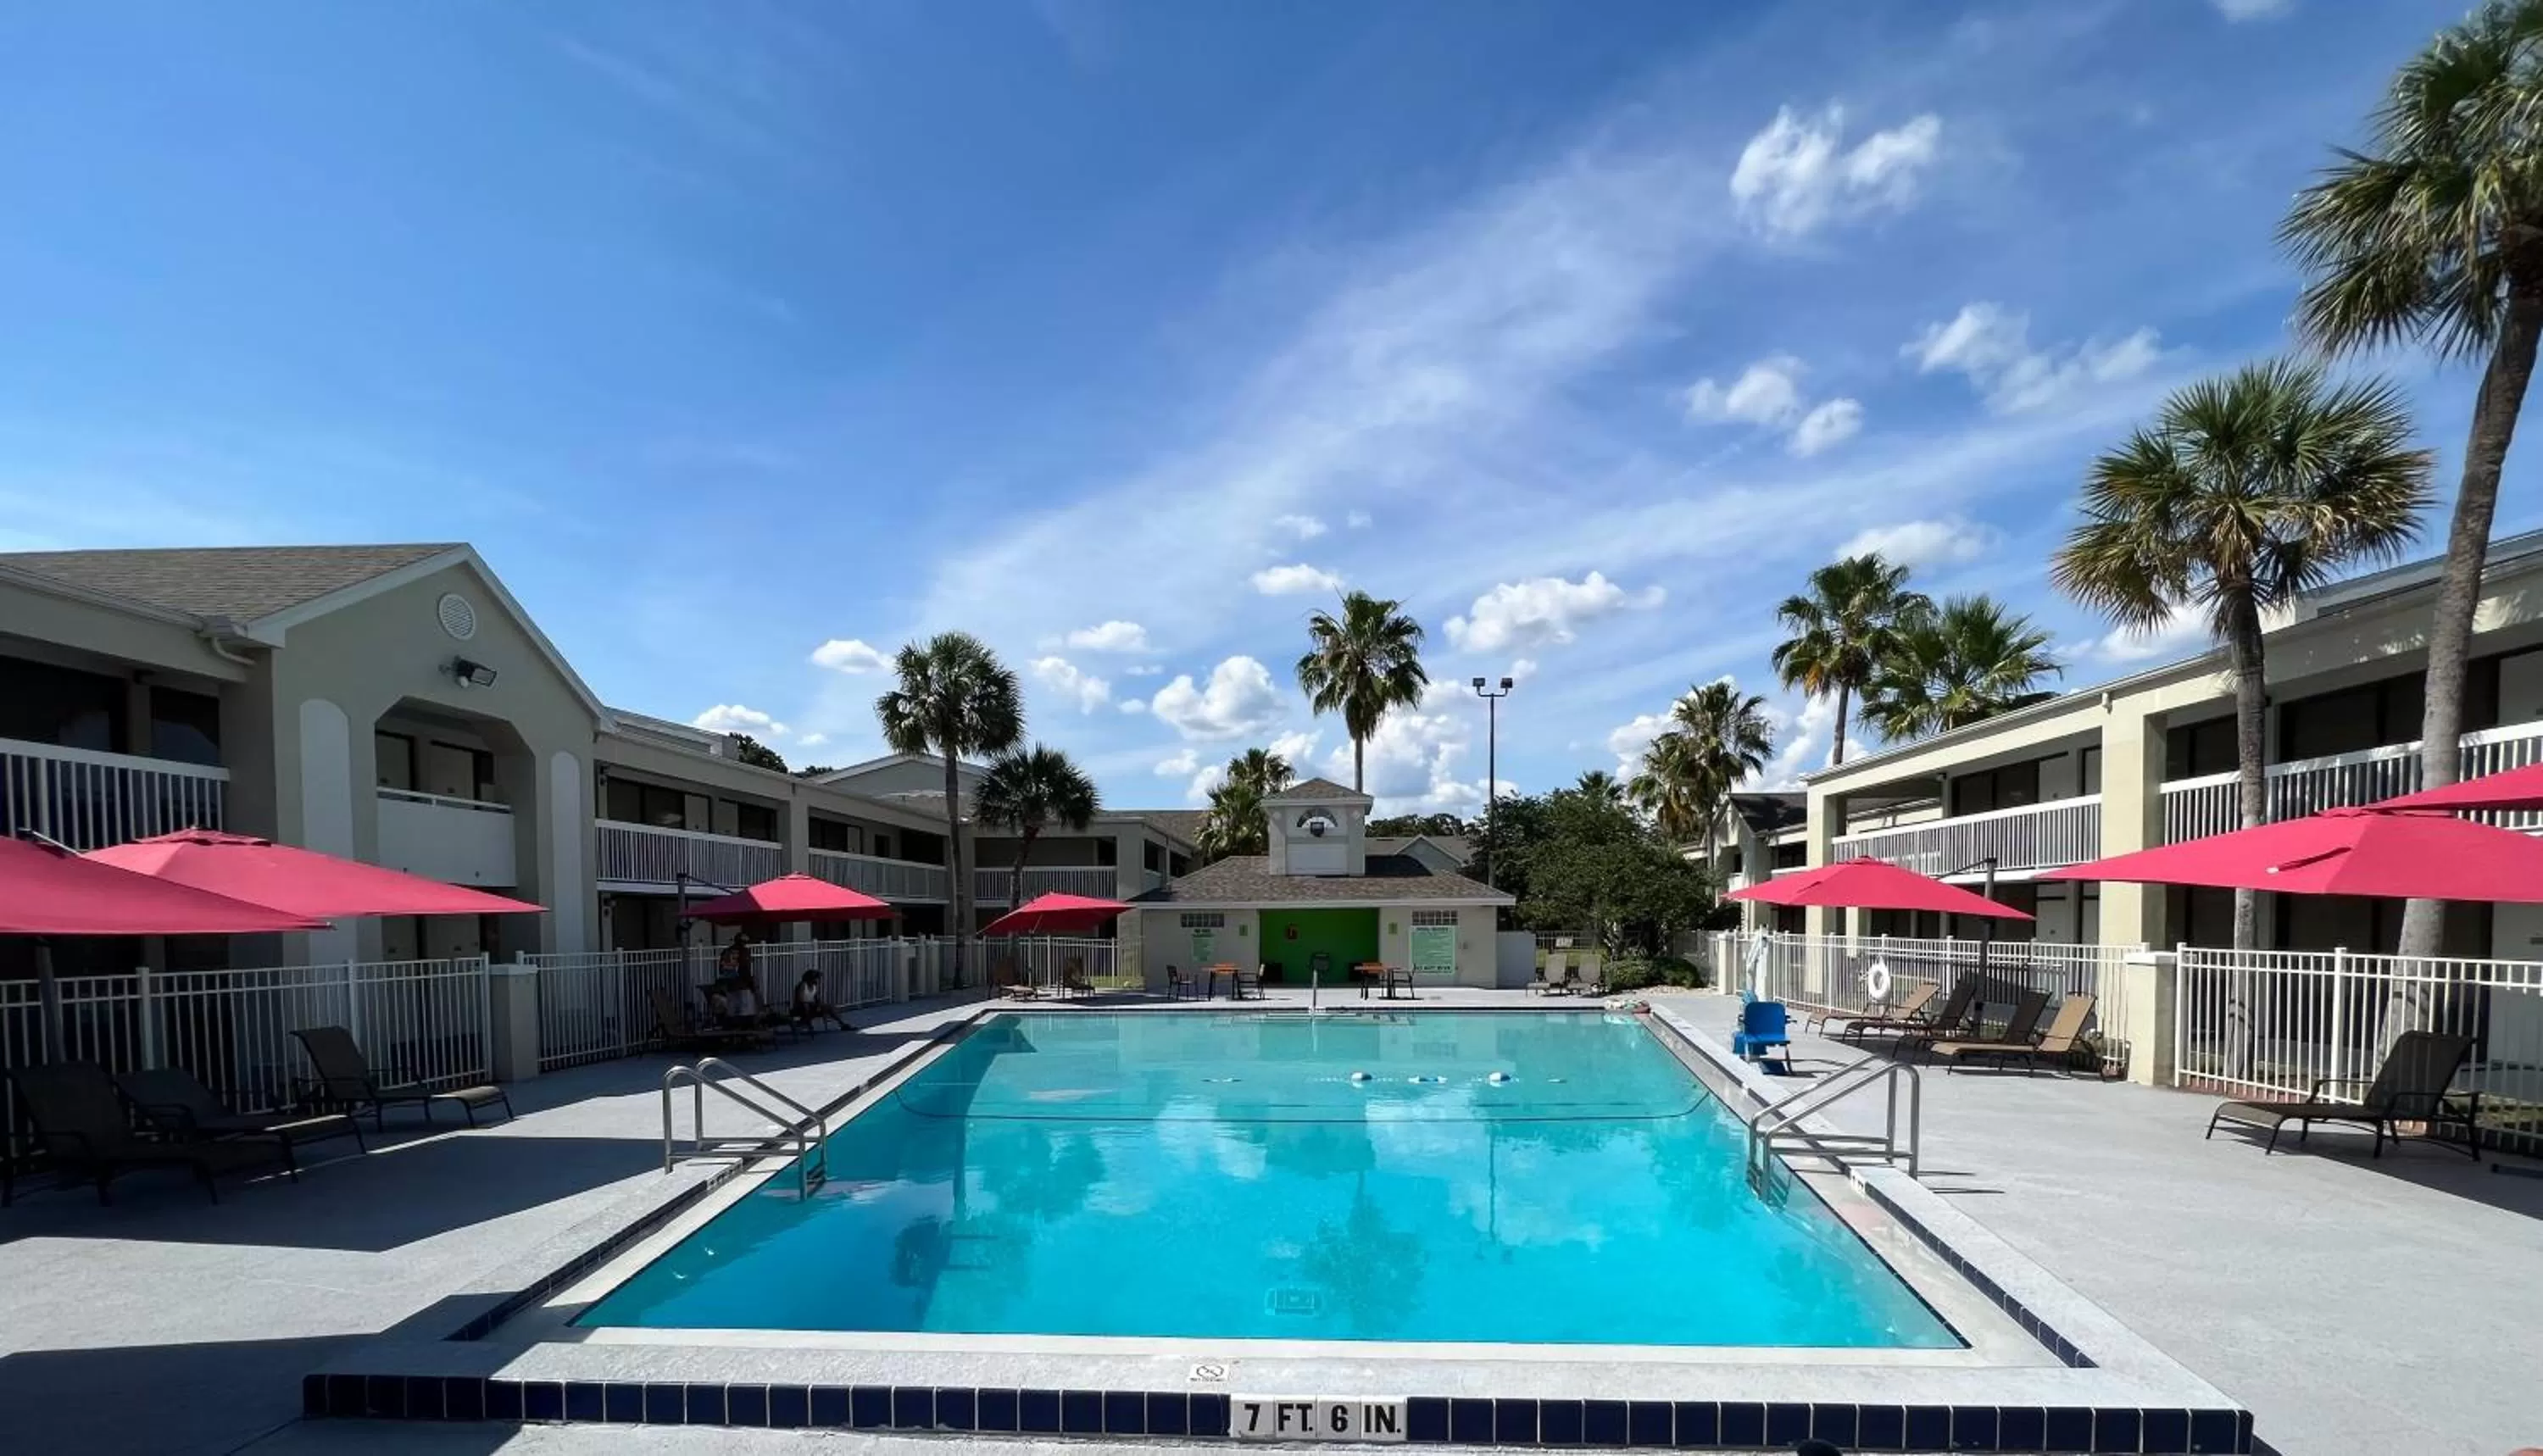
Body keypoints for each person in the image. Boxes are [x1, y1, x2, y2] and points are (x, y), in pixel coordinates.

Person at [793, 969, 854, 1033]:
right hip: (801, 1007)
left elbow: (817, 998)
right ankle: (804, 1022)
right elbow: (800, 999)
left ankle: (842, 1024)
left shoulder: (813, 986)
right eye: (816, 978)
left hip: (811, 1006)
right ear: (811, 978)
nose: (818, 980)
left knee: (828, 1007)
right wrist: (812, 1004)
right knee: (808, 1006)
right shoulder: (803, 985)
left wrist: (819, 1005)